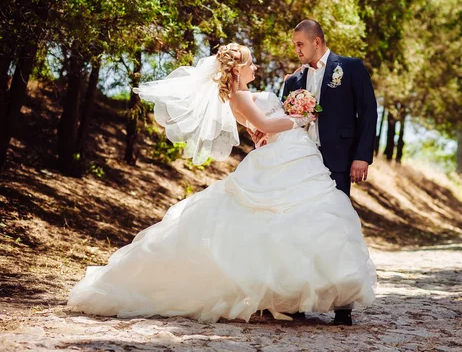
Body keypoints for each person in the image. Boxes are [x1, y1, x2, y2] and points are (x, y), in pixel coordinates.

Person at [67, 43, 377, 326]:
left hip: (291, 156)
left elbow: (258, 130)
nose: (255, 68)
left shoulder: (244, 95)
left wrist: (274, 125)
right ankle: (289, 293)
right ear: (237, 68)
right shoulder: (238, 96)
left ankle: (300, 294)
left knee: (300, 220)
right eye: (251, 64)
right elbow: (266, 125)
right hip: (285, 155)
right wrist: (299, 119)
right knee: (285, 221)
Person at [252, 20, 378, 325]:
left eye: (300, 44)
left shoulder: (349, 68)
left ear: (317, 42)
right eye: (294, 45)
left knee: (337, 229)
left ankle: (343, 305)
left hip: (337, 161)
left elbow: (369, 111)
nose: (296, 50)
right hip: (301, 162)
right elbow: (283, 120)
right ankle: (296, 301)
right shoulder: (292, 81)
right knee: (298, 229)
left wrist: (362, 157)